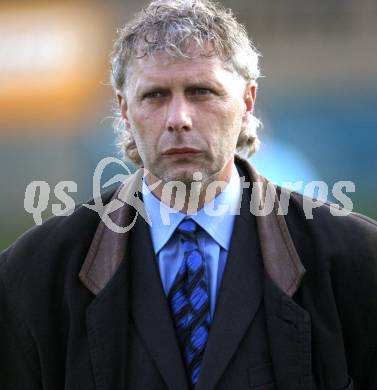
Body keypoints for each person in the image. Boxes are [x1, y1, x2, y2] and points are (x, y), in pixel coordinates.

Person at [1, 0, 376, 389]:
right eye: (155, 96)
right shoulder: (32, 277)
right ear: (124, 110)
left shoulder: (356, 263)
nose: (179, 118)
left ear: (247, 103)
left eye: (201, 91)